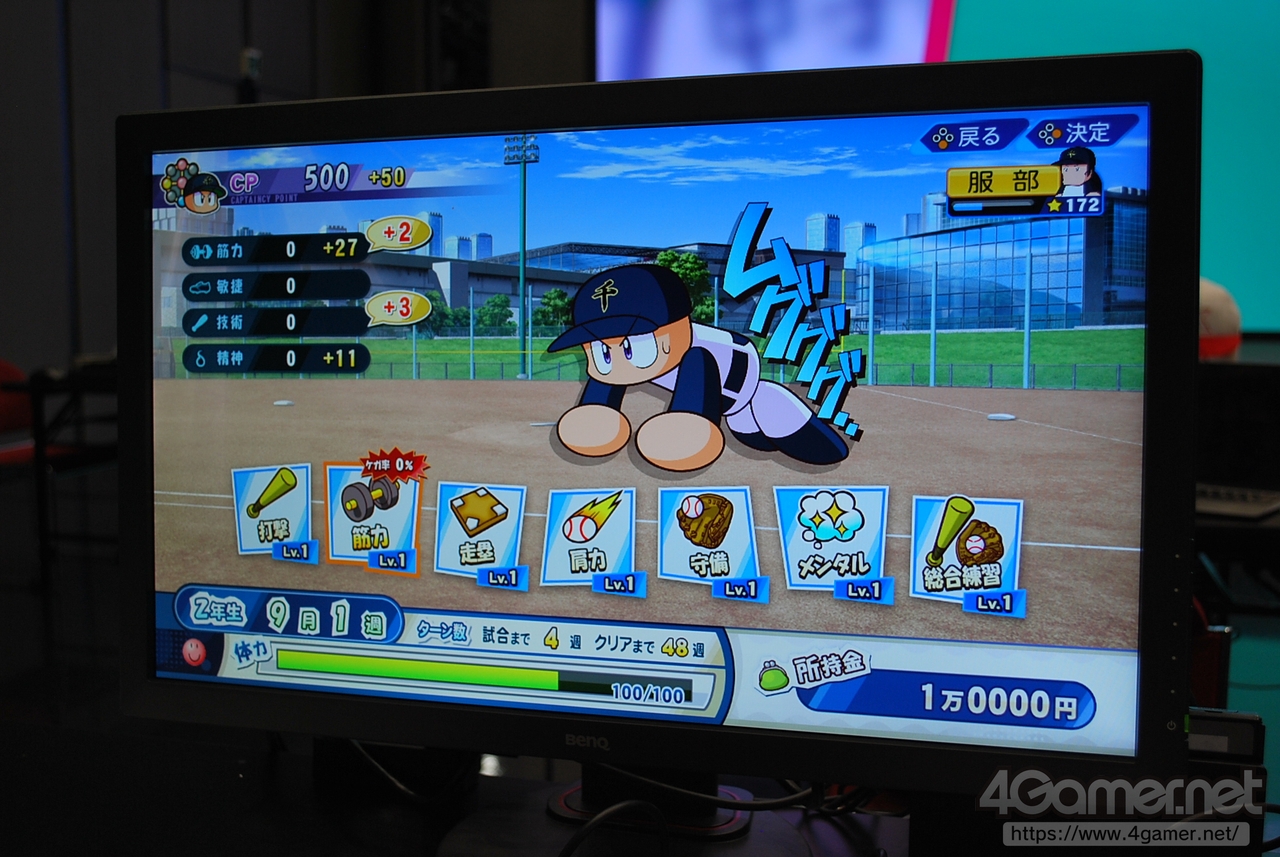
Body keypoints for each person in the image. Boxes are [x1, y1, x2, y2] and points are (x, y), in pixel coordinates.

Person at [548, 264, 847, 472]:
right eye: (600, 349)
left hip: (740, 390)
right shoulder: (620, 365)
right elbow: (607, 373)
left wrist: (686, 429)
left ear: (678, 323)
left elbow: (696, 402)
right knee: (609, 371)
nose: (616, 358)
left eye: (629, 346)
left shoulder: (699, 351)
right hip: (716, 387)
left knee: (765, 429)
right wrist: (594, 417)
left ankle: (819, 440)